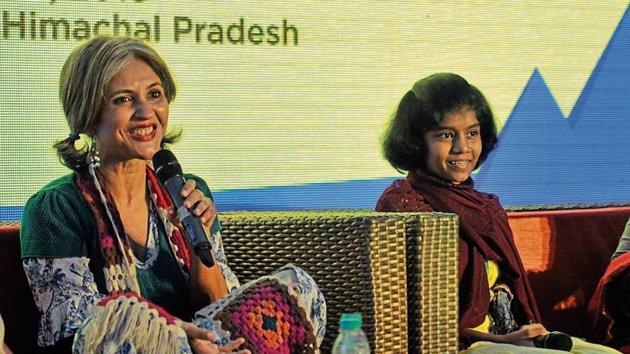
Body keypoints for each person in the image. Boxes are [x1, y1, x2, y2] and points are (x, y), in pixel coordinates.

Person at [20, 36, 326, 354]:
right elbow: (78, 332)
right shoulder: (56, 208)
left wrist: (200, 243)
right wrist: (179, 340)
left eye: (155, 95)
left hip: (206, 346)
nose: (146, 112)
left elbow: (221, 309)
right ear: (88, 112)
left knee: (297, 286)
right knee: (123, 326)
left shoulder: (186, 191)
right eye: (124, 100)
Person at [375, 72, 618, 353]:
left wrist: (523, 331)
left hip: (510, 337)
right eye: (445, 135)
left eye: (472, 133)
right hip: (460, 347)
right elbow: (403, 318)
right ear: (417, 141)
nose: (462, 147)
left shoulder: (487, 207)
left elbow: (510, 294)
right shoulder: (403, 205)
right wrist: (502, 341)